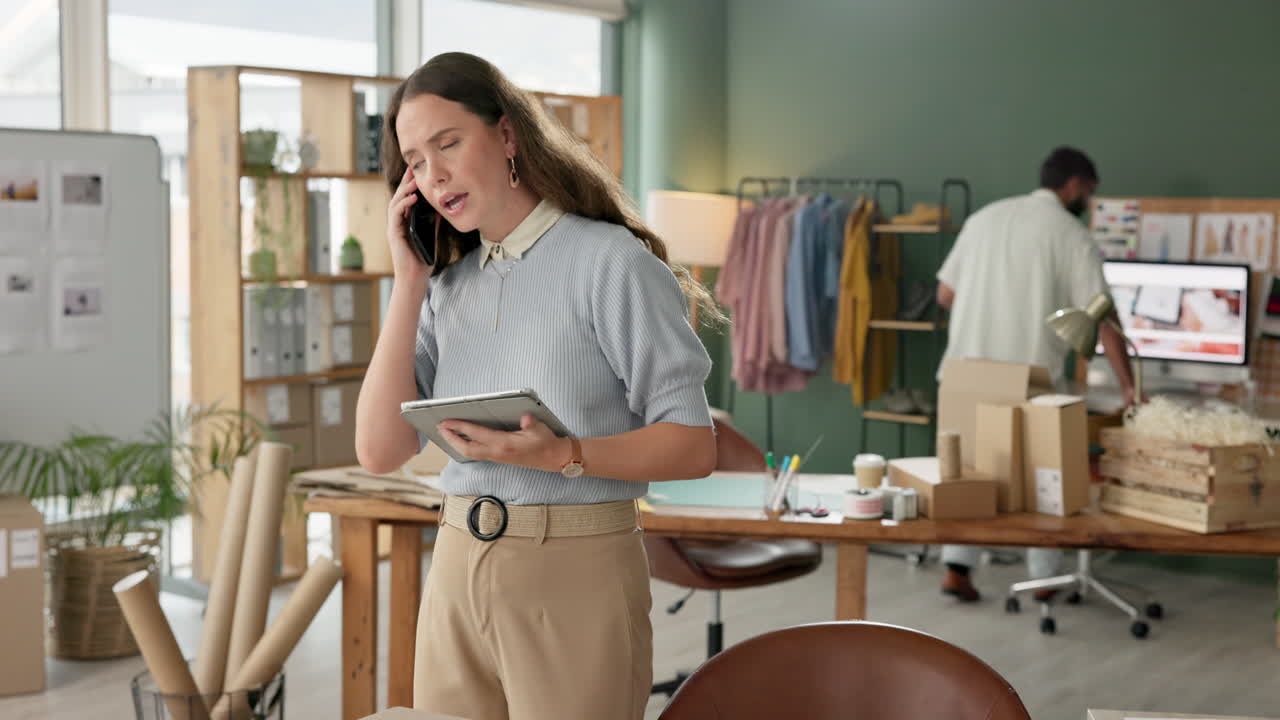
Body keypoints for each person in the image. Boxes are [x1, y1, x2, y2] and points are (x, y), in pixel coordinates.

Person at [355, 52, 719, 720]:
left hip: (577, 570)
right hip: (457, 566)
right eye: (414, 161)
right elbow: (379, 451)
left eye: (448, 143)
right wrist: (407, 281)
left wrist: (564, 454)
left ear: (507, 135)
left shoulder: (610, 263)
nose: (433, 175)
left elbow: (694, 446)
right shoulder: (445, 286)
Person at [934, 147, 1135, 602]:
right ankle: (1044, 581)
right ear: (1076, 185)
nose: (1088, 199)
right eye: (1090, 191)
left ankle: (955, 571)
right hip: (1027, 375)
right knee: (1042, 480)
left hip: (963, 370)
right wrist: (1127, 384)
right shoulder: (1071, 235)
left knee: (963, 475)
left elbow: (946, 295)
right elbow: (1102, 318)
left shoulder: (984, 219)